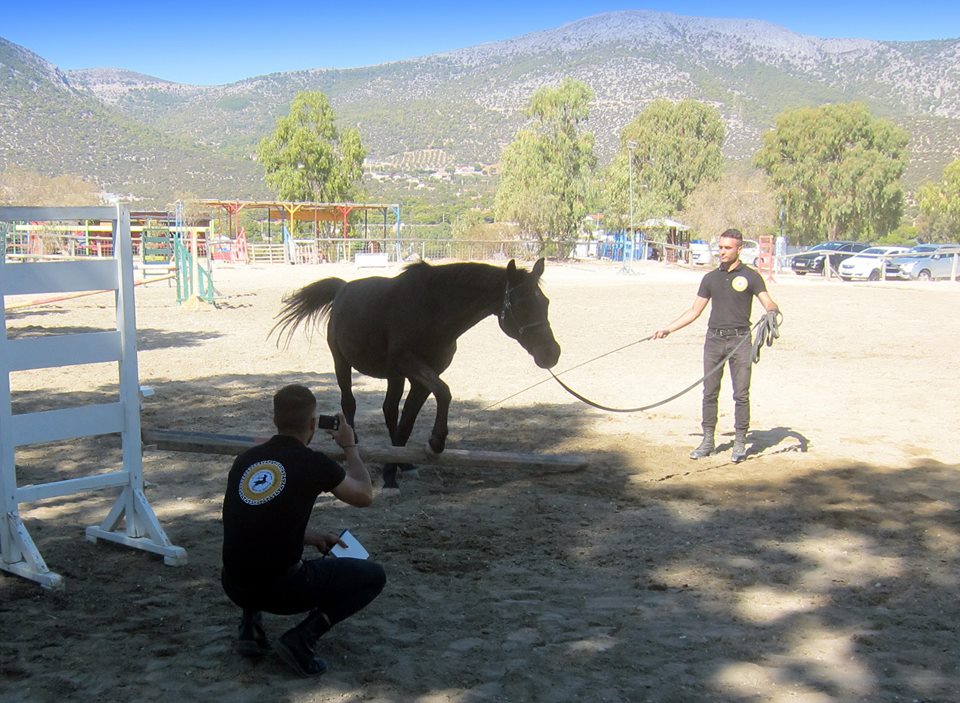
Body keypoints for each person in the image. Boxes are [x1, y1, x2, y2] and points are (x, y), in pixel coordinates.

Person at [221, 384, 386, 677]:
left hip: (234, 584)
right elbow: (364, 495)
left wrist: (312, 537)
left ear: (275, 419)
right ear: (313, 424)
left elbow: (252, 522)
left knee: (251, 538)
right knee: (373, 577)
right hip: (282, 590)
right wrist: (350, 447)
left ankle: (250, 627)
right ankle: (302, 638)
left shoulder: (245, 460)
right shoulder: (314, 463)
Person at [653, 228, 780, 463]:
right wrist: (668, 329)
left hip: (740, 341)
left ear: (739, 249)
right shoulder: (710, 278)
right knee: (709, 392)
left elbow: (769, 302)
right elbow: (694, 311)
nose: (722, 251)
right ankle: (708, 441)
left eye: (727, 248)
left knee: (741, 394)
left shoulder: (751, 277)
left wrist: (772, 312)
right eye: (720, 247)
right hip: (714, 340)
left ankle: (740, 442)